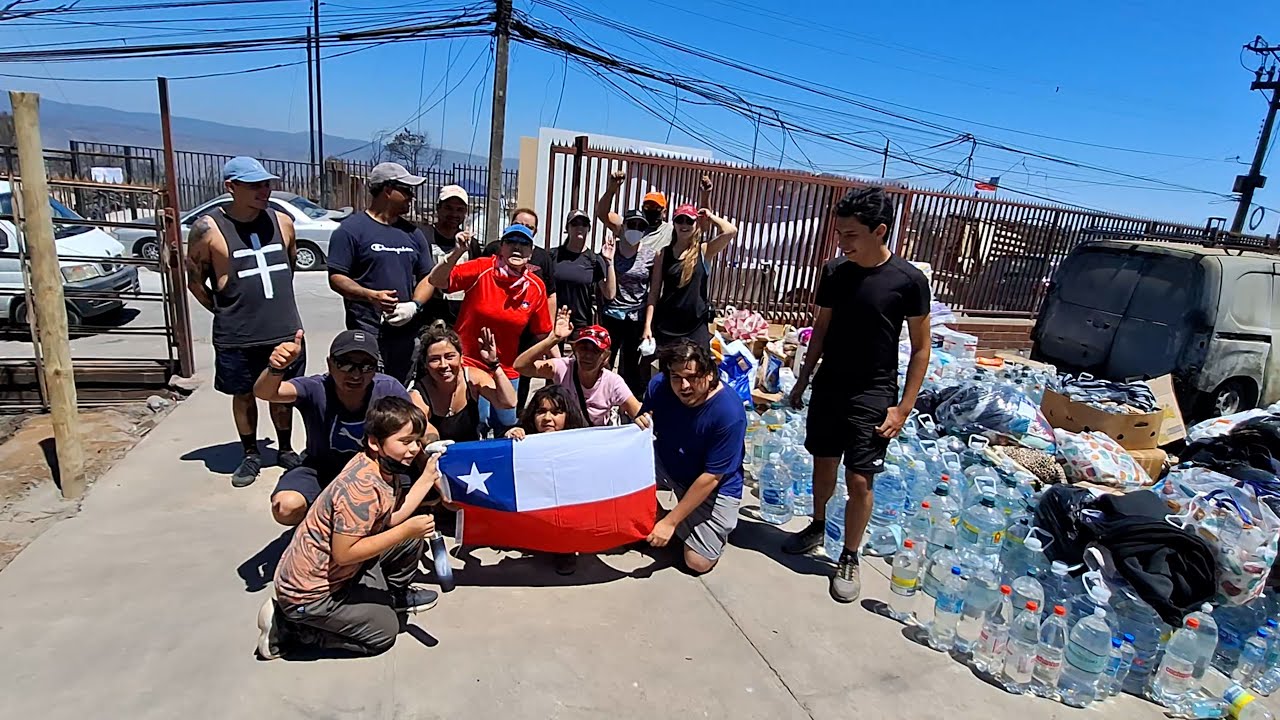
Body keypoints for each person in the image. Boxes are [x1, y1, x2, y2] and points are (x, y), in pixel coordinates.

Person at [782, 186, 931, 604]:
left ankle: (849, 555)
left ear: (879, 231)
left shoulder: (909, 281)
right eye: (839, 233)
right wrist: (803, 380)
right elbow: (820, 330)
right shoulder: (834, 272)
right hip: (830, 384)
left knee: (860, 478)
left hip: (874, 391)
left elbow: (921, 348)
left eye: (850, 234)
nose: (841, 242)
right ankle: (817, 525)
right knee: (823, 463)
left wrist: (903, 408)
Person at [258, 396, 442, 660]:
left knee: (409, 539)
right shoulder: (361, 489)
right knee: (384, 634)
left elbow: (389, 518)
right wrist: (405, 531)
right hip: (312, 594)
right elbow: (344, 554)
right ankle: (291, 627)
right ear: (375, 442)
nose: (414, 449)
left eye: (416, 441)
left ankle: (391, 597)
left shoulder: (380, 466)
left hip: (341, 571)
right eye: (405, 441)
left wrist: (426, 479)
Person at [185, 156, 304, 489]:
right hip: (237, 334)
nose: (263, 191)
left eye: (266, 184)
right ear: (231, 187)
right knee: (243, 393)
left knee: (283, 393)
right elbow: (195, 282)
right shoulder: (207, 229)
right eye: (254, 186)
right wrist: (224, 311)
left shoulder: (283, 222)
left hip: (283, 329)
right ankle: (250, 452)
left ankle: (285, 448)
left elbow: (289, 267)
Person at [254, 328, 428, 526]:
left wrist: (431, 453)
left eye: (366, 366)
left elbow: (415, 429)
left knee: (393, 510)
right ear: (330, 364)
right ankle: (323, 521)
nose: (356, 374)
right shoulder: (315, 387)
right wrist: (276, 369)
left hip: (377, 470)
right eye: (345, 364)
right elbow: (266, 393)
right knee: (286, 507)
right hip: (322, 467)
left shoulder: (388, 388)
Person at [427, 223, 553, 436]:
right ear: (501, 247)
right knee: (478, 423)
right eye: (511, 242)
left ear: (531, 252)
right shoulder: (482, 268)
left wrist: (559, 369)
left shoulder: (536, 286)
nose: (517, 247)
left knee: (508, 425)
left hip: (505, 368)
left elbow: (543, 334)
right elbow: (437, 280)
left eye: (524, 243)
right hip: (468, 364)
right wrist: (457, 252)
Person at [637, 340, 746, 575]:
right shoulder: (659, 386)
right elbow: (643, 418)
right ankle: (658, 515)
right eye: (676, 377)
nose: (684, 386)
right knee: (624, 462)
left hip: (711, 483)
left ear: (709, 374)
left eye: (692, 377)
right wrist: (641, 419)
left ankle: (679, 522)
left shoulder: (729, 413)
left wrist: (671, 522)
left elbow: (712, 477)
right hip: (668, 460)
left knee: (697, 562)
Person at [327, 162, 435, 383]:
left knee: (399, 391)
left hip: (406, 335)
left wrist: (414, 306)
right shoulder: (351, 230)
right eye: (406, 190)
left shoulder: (413, 234)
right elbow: (337, 278)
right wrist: (370, 296)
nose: (411, 196)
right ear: (387, 190)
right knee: (370, 390)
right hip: (368, 333)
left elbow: (429, 277)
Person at [469, 207, 558, 414]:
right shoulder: (492, 251)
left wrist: (552, 341)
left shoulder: (542, 257)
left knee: (514, 398)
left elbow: (550, 295)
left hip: (523, 338)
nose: (517, 246)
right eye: (518, 224)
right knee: (483, 403)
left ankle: (514, 417)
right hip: (487, 340)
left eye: (529, 227)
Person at [504, 384, 590, 575]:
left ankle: (565, 550)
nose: (547, 418)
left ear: (568, 416)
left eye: (556, 412)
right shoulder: (524, 440)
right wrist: (510, 438)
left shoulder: (581, 444)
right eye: (541, 412)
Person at [514, 307, 642, 427]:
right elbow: (520, 366)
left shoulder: (613, 382)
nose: (588, 355)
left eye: (595, 351)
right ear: (575, 350)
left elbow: (638, 412)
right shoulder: (563, 368)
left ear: (606, 357)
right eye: (583, 348)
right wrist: (553, 339)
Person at [642, 204, 738, 350]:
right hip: (667, 325)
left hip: (695, 326)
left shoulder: (704, 250)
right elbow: (654, 292)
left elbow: (731, 231)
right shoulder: (662, 254)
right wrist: (647, 326)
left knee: (698, 364)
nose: (684, 225)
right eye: (680, 220)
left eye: (689, 221)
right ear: (674, 223)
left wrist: (710, 217)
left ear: (696, 223)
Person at [407, 323, 517, 443]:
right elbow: (424, 430)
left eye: (449, 357)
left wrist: (494, 365)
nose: (443, 365)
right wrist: (435, 443)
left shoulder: (472, 379)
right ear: (425, 364)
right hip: (438, 450)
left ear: (461, 357)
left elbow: (508, 403)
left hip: (471, 448)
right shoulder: (418, 395)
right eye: (435, 359)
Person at [597, 205, 658, 398]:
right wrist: (609, 261)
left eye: (641, 226)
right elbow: (605, 289)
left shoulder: (650, 255)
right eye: (632, 224)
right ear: (623, 227)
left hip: (636, 318)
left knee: (631, 366)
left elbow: (653, 292)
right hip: (611, 315)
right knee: (604, 361)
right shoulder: (609, 250)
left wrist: (648, 325)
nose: (636, 229)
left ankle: (627, 405)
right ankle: (602, 400)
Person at [595, 170, 713, 254]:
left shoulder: (670, 232)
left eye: (656, 208)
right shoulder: (631, 226)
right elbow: (602, 214)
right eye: (648, 206)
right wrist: (612, 189)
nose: (651, 210)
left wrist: (705, 196)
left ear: (664, 212)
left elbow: (702, 226)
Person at [419, 184, 472, 329]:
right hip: (425, 317)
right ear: (438, 208)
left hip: (457, 319)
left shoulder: (469, 243)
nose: (454, 214)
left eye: (460, 210)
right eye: (449, 208)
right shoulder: (422, 236)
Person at [550, 209, 614, 328]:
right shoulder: (553, 255)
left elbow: (609, 294)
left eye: (584, 224)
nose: (579, 227)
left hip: (581, 324)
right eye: (575, 224)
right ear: (567, 228)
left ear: (588, 229)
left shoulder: (594, 260)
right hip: (554, 321)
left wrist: (610, 262)